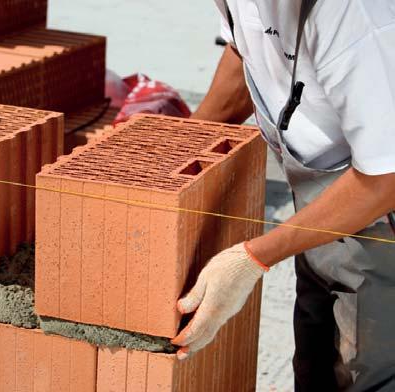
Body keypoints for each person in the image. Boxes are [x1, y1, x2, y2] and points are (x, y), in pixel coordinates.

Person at [171, 1, 395, 391]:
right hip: (325, 200)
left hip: (380, 211)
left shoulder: (355, 14)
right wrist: (183, 152)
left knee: (368, 370)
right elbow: (249, 52)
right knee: (317, 359)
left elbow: (385, 177)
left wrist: (255, 257)